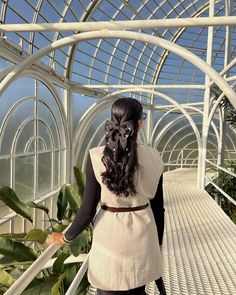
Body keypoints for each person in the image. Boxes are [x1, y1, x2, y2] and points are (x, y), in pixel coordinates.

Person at [47, 97, 167, 295]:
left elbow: (86, 212)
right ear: (139, 123)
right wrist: (159, 243)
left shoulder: (96, 156)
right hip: (143, 238)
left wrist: (65, 237)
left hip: (109, 240)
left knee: (108, 289)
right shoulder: (155, 158)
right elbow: (158, 209)